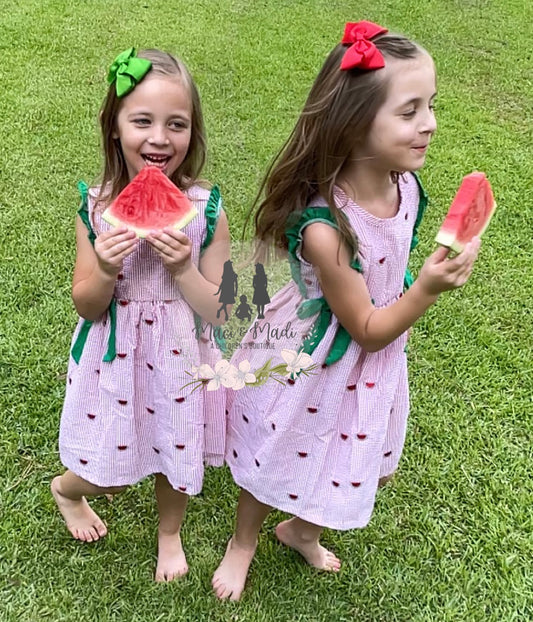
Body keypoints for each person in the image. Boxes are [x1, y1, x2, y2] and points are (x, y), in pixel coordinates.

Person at [212, 21, 480, 600]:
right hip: (318, 357)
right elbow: (366, 328)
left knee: (355, 457)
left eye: (431, 105)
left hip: (371, 370)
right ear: (356, 126)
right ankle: (244, 541)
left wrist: (440, 259)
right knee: (276, 452)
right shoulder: (325, 230)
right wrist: (429, 287)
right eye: (410, 111)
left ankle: (300, 530)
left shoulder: (404, 185)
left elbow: (392, 276)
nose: (429, 123)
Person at [50, 48, 231, 582]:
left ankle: (169, 535)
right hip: (117, 357)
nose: (159, 138)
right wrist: (104, 269)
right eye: (142, 121)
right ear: (115, 128)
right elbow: (86, 302)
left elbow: (219, 311)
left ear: (192, 133)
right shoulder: (96, 207)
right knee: (108, 470)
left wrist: (183, 271)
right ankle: (69, 489)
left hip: (182, 356)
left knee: (177, 454)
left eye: (176, 124)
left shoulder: (206, 209)